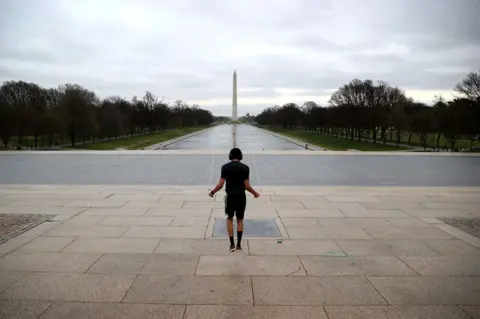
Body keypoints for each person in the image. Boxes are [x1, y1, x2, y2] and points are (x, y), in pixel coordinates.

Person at [209, 148, 260, 252]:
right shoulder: (245, 168)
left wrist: (212, 192)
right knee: (240, 219)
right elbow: (246, 185)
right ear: (240, 156)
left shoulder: (225, 167)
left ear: (230, 156)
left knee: (230, 218)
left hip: (230, 196)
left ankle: (231, 244)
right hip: (241, 196)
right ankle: (239, 245)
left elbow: (220, 185)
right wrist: (255, 193)